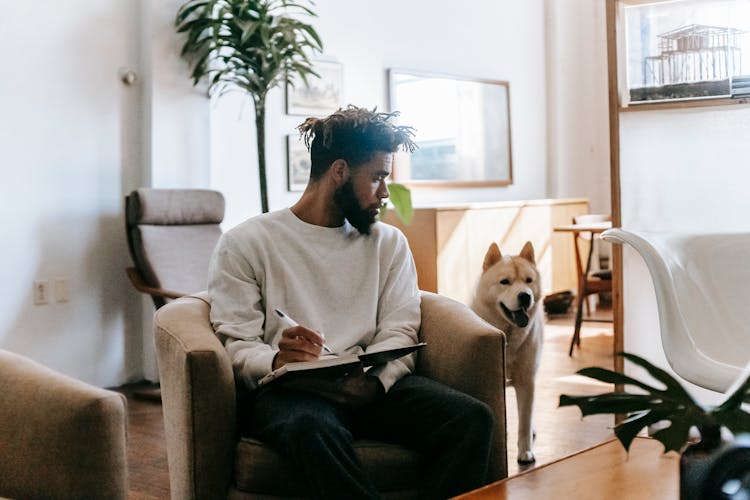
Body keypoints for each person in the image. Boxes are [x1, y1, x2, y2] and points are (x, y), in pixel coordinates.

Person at [208, 105, 494, 499]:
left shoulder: (388, 243)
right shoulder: (247, 242)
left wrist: (375, 383)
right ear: (339, 172)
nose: (385, 193)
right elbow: (236, 343)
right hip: (293, 393)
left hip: (371, 385)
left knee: (471, 418)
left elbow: (400, 326)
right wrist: (278, 360)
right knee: (310, 428)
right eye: (377, 177)